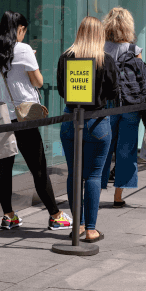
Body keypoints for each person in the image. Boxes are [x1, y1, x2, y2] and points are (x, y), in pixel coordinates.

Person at [0, 12, 73, 231]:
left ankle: (9, 216)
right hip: (23, 117)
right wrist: (29, 60)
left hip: (1, 116)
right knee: (38, 167)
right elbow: (38, 81)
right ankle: (55, 215)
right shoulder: (23, 49)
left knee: (4, 167)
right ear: (20, 29)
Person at [57, 17, 118, 243]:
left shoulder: (65, 57)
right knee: (93, 175)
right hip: (98, 122)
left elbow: (63, 90)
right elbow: (113, 92)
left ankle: (78, 225)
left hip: (71, 119)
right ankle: (91, 229)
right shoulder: (106, 60)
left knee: (74, 174)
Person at [100, 8, 143, 207]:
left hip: (107, 104)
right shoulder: (134, 51)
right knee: (126, 150)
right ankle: (118, 196)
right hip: (130, 105)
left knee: (103, 148)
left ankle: (96, 190)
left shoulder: (100, 49)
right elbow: (144, 81)